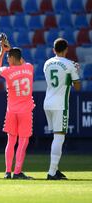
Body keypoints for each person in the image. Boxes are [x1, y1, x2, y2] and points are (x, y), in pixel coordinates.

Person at [0, 39, 35, 179]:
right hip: (25, 112)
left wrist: (2, 51)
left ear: (12, 58)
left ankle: (7, 172)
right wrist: (9, 49)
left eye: (8, 57)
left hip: (11, 112)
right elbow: (21, 61)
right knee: (23, 142)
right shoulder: (29, 67)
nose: (7, 59)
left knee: (11, 142)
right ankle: (17, 172)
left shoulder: (7, 71)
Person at [43, 38, 81, 180]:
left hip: (47, 102)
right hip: (60, 104)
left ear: (54, 50)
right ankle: (52, 172)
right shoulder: (70, 64)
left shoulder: (47, 63)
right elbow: (77, 86)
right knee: (59, 136)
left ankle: (55, 170)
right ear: (66, 50)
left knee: (55, 136)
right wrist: (76, 71)